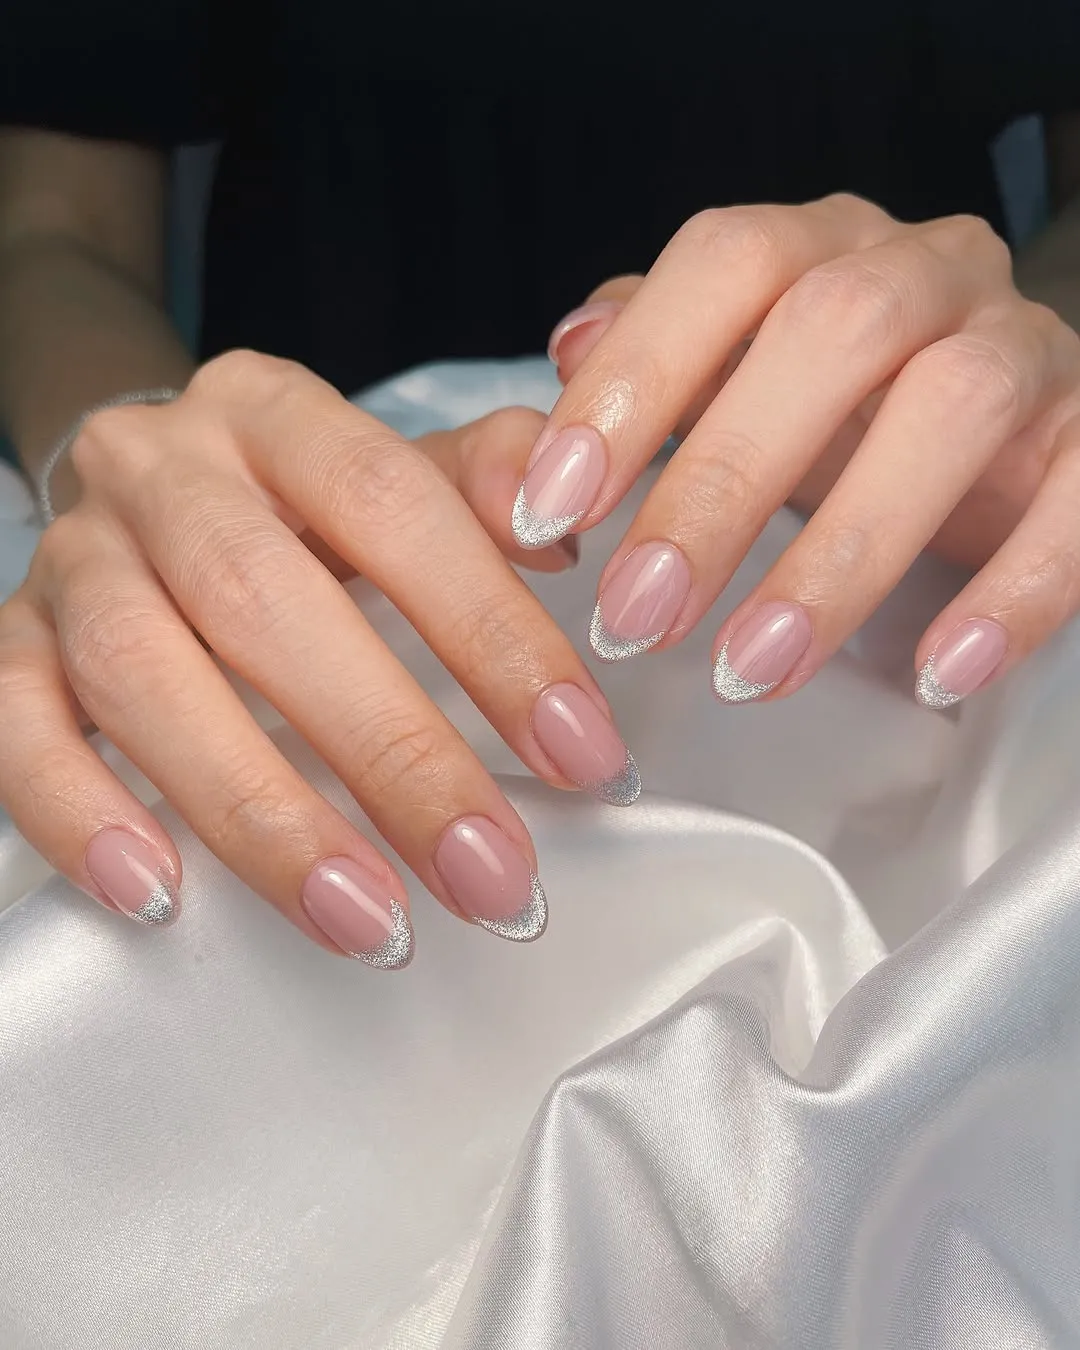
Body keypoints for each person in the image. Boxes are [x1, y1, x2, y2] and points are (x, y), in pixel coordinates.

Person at [0, 4, 1078, 968]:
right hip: (301, 553)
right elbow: (59, 230)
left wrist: (1017, 363)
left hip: (912, 555)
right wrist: (135, 451)